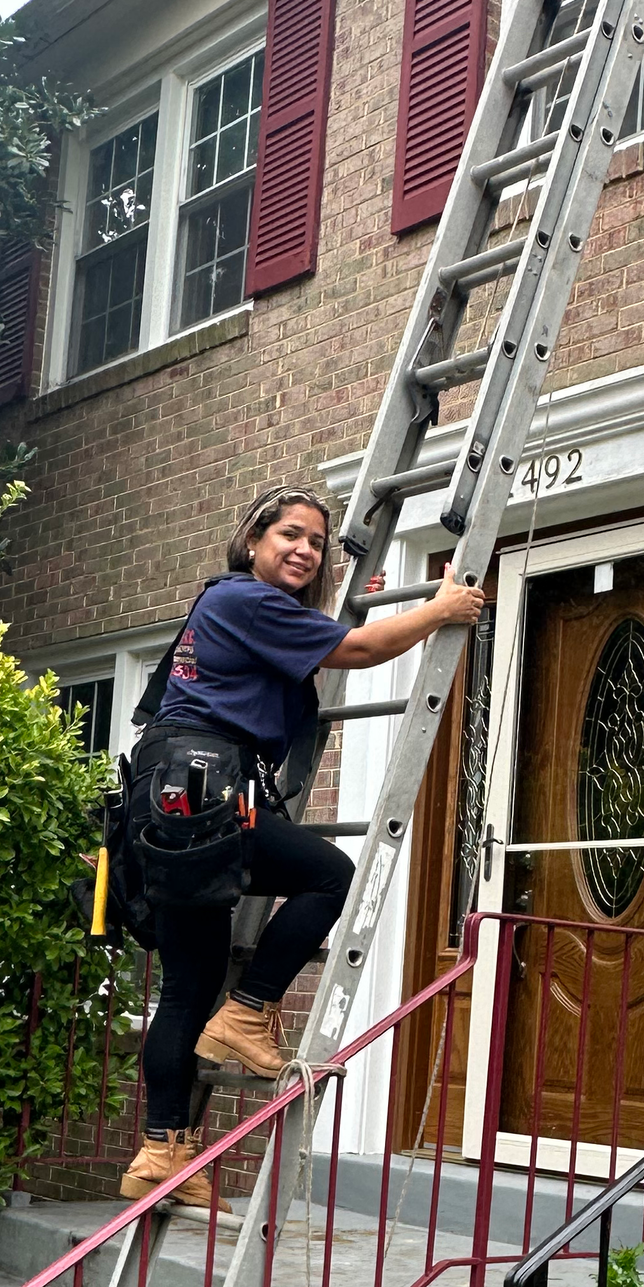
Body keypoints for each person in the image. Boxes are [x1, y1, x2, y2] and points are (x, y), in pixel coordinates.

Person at [120, 486, 486, 1209]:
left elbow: (312, 647)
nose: (305, 549)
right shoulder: (249, 601)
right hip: (206, 789)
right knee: (331, 874)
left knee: (186, 987)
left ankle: (161, 1153)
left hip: (169, 800)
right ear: (251, 540)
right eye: (290, 534)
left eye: (317, 543)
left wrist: (375, 609)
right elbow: (353, 651)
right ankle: (250, 1011)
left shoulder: (229, 605)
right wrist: (441, 610)